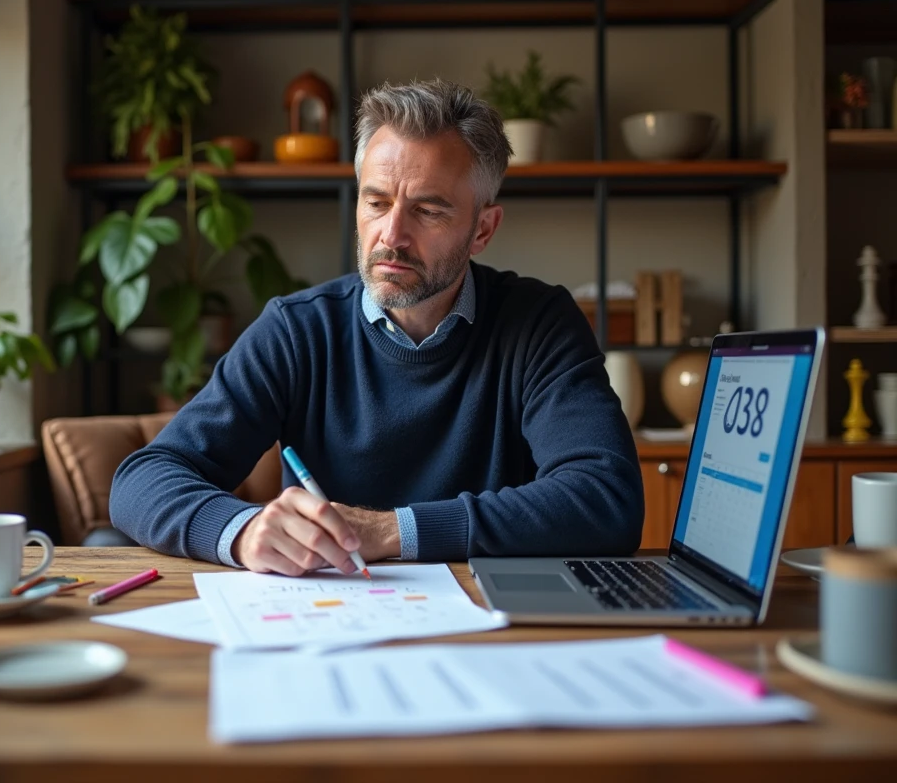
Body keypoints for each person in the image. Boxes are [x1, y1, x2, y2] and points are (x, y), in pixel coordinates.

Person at [110, 78, 644, 576]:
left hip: (491, 625)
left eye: (428, 210)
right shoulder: (297, 331)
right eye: (376, 202)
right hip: (333, 620)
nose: (392, 235)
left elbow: (606, 498)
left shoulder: (539, 324)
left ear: (483, 229)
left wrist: (393, 531)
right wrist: (243, 530)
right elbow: (143, 480)